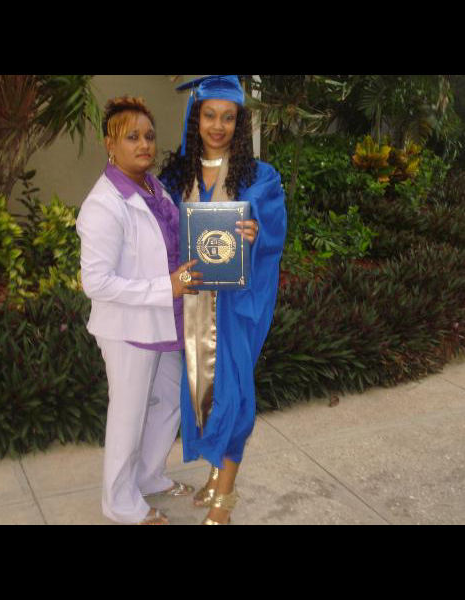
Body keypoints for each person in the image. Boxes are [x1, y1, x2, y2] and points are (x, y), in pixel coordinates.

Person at [160, 75, 287, 525]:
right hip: (192, 305)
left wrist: (255, 234)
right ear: (196, 119)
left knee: (233, 395)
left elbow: (274, 236)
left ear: (239, 122)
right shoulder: (177, 176)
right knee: (203, 394)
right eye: (210, 115)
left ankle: (224, 502)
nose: (218, 126)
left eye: (228, 117)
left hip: (236, 309)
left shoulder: (259, 177)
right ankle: (216, 473)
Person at [76, 96, 203, 525]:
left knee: (168, 400)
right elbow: (96, 283)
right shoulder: (103, 204)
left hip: (166, 317)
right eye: (132, 137)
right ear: (110, 144)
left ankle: (148, 476)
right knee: (128, 415)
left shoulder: (154, 187)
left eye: (149, 136)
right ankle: (119, 502)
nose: (144, 144)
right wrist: (166, 287)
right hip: (129, 327)